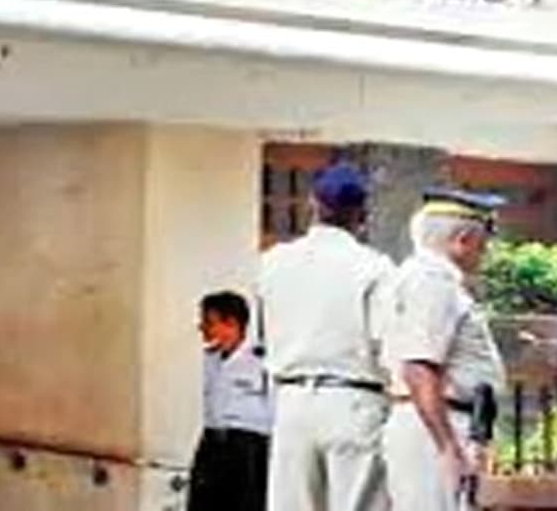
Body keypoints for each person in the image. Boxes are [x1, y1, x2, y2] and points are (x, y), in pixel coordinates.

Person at [257, 162, 395, 511]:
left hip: (291, 402)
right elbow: (386, 344)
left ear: (313, 204)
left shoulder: (274, 262)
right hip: (353, 401)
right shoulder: (374, 267)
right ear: (361, 214)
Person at [381, 188, 507, 511]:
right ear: (463, 239)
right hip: (437, 425)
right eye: (484, 242)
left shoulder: (423, 277)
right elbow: (419, 367)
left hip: (439, 422)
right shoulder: (432, 282)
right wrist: (448, 447)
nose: (486, 252)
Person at [188, 291, 272, 511]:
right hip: (213, 443)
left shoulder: (261, 361)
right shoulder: (211, 357)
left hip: (247, 447)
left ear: (231, 323)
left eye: (209, 322)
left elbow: (274, 409)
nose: (202, 328)